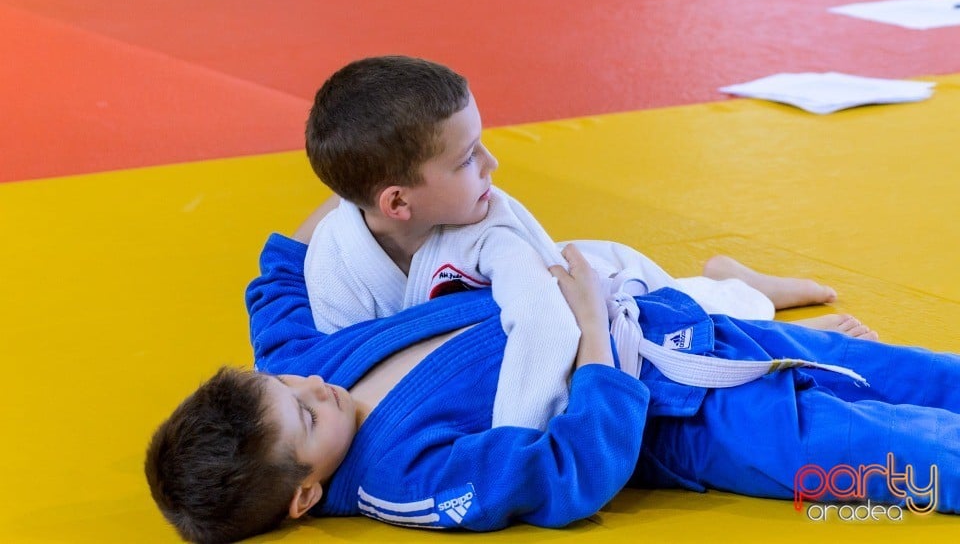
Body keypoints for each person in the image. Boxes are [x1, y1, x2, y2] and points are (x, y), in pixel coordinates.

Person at [148, 228, 951, 544]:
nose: (313, 385)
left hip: (683, 324)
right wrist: (592, 330)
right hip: (694, 423)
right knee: (909, 472)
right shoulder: (407, 480)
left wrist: (371, 193)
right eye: (302, 412)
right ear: (305, 497)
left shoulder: (318, 369)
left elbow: (281, 281)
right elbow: (566, 478)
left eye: (284, 379)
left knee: (925, 374)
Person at [300, 56, 857, 431]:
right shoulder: (337, 269)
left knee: (683, 317)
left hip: (597, 283)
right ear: (397, 204)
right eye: (467, 157)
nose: (492, 163)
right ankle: (725, 281)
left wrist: (518, 437)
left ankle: (763, 320)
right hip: (485, 349)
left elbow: (557, 315)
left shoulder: (492, 222)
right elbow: (355, 372)